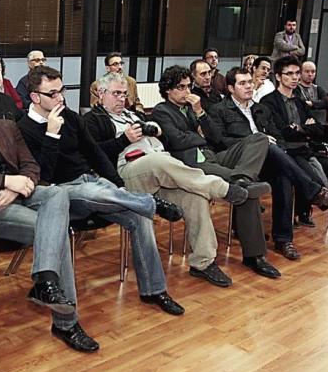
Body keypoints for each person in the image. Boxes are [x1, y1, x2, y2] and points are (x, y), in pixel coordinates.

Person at [0, 78, 100, 353]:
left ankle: (45, 280)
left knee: (56, 193)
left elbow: (32, 167)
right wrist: (5, 182)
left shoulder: (6, 127)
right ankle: (66, 322)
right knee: (55, 234)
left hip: (19, 194)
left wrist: (14, 188)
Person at [19, 66, 186, 314]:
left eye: (62, 91)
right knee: (93, 193)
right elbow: (43, 176)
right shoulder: (23, 128)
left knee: (138, 216)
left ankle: (154, 290)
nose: (60, 98)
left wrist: (119, 185)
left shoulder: (71, 117)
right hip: (61, 192)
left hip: (93, 183)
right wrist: (52, 135)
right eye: (52, 94)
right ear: (35, 97)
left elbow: (95, 154)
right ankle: (150, 202)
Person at [86, 72, 280, 281]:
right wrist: (124, 140)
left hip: (163, 167)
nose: (121, 98)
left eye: (124, 94)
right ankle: (223, 188)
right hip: (130, 172)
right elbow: (94, 155)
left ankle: (203, 262)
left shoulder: (134, 115)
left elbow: (193, 139)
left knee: (195, 197)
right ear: (101, 93)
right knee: (160, 162)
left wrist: (158, 131)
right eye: (116, 93)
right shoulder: (93, 119)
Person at [150, 67, 281, 279]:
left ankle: (243, 177)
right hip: (191, 165)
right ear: (168, 90)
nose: (186, 92)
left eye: (188, 87)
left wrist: (200, 113)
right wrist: (200, 137)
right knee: (247, 192)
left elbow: (215, 137)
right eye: (181, 87)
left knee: (259, 139)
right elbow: (177, 141)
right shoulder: (161, 111)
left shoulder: (192, 108)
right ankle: (255, 256)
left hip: (211, 155)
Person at [209, 67, 328, 261]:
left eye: (250, 82)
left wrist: (269, 143)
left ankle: (283, 240)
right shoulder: (219, 110)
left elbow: (278, 137)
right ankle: (314, 191)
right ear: (231, 88)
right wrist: (256, 142)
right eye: (242, 83)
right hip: (238, 162)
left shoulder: (261, 109)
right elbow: (219, 142)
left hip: (267, 160)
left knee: (283, 176)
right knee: (264, 142)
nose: (249, 86)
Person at [260, 56, 328, 226]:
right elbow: (281, 133)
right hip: (287, 153)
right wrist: (305, 128)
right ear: (278, 76)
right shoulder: (268, 102)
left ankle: (317, 202)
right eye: (289, 74)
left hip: (308, 150)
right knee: (316, 182)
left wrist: (299, 128)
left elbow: (318, 129)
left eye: (297, 73)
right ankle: (308, 204)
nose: (295, 77)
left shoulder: (300, 101)